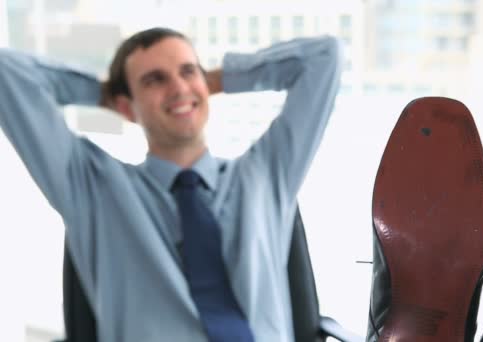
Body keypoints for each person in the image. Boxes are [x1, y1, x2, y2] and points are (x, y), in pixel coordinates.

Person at [0, 27, 343, 341]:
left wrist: (218, 79)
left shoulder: (266, 174)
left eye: (187, 71)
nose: (178, 87)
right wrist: (105, 93)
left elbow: (324, 57)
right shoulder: (93, 188)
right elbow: (6, 72)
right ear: (126, 106)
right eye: (154, 80)